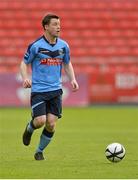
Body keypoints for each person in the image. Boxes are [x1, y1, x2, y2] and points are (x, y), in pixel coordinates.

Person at [20, 14, 79, 160]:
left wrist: (73, 79)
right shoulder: (36, 46)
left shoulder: (64, 46)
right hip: (39, 90)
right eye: (54, 24)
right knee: (40, 121)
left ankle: (39, 151)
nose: (58, 27)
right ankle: (29, 129)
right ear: (46, 27)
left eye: (59, 24)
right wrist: (25, 78)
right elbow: (24, 63)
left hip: (55, 90)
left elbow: (67, 63)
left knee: (51, 124)